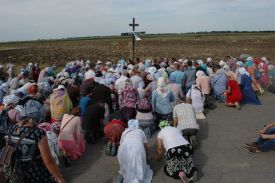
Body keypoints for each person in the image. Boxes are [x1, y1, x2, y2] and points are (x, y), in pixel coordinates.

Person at [5, 114, 65, 183]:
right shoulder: (38, 133)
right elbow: (48, 161)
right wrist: (59, 177)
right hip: (35, 174)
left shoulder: (10, 129)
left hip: (15, 173)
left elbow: (8, 150)